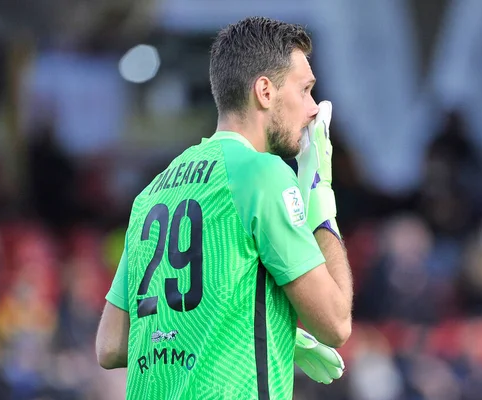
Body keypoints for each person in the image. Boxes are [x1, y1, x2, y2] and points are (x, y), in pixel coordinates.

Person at [95, 16, 353, 399]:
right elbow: (336, 323)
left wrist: (260, 328)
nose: (314, 109)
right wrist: (319, 196)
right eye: (305, 91)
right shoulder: (264, 174)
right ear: (265, 91)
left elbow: (110, 345)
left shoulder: (150, 193)